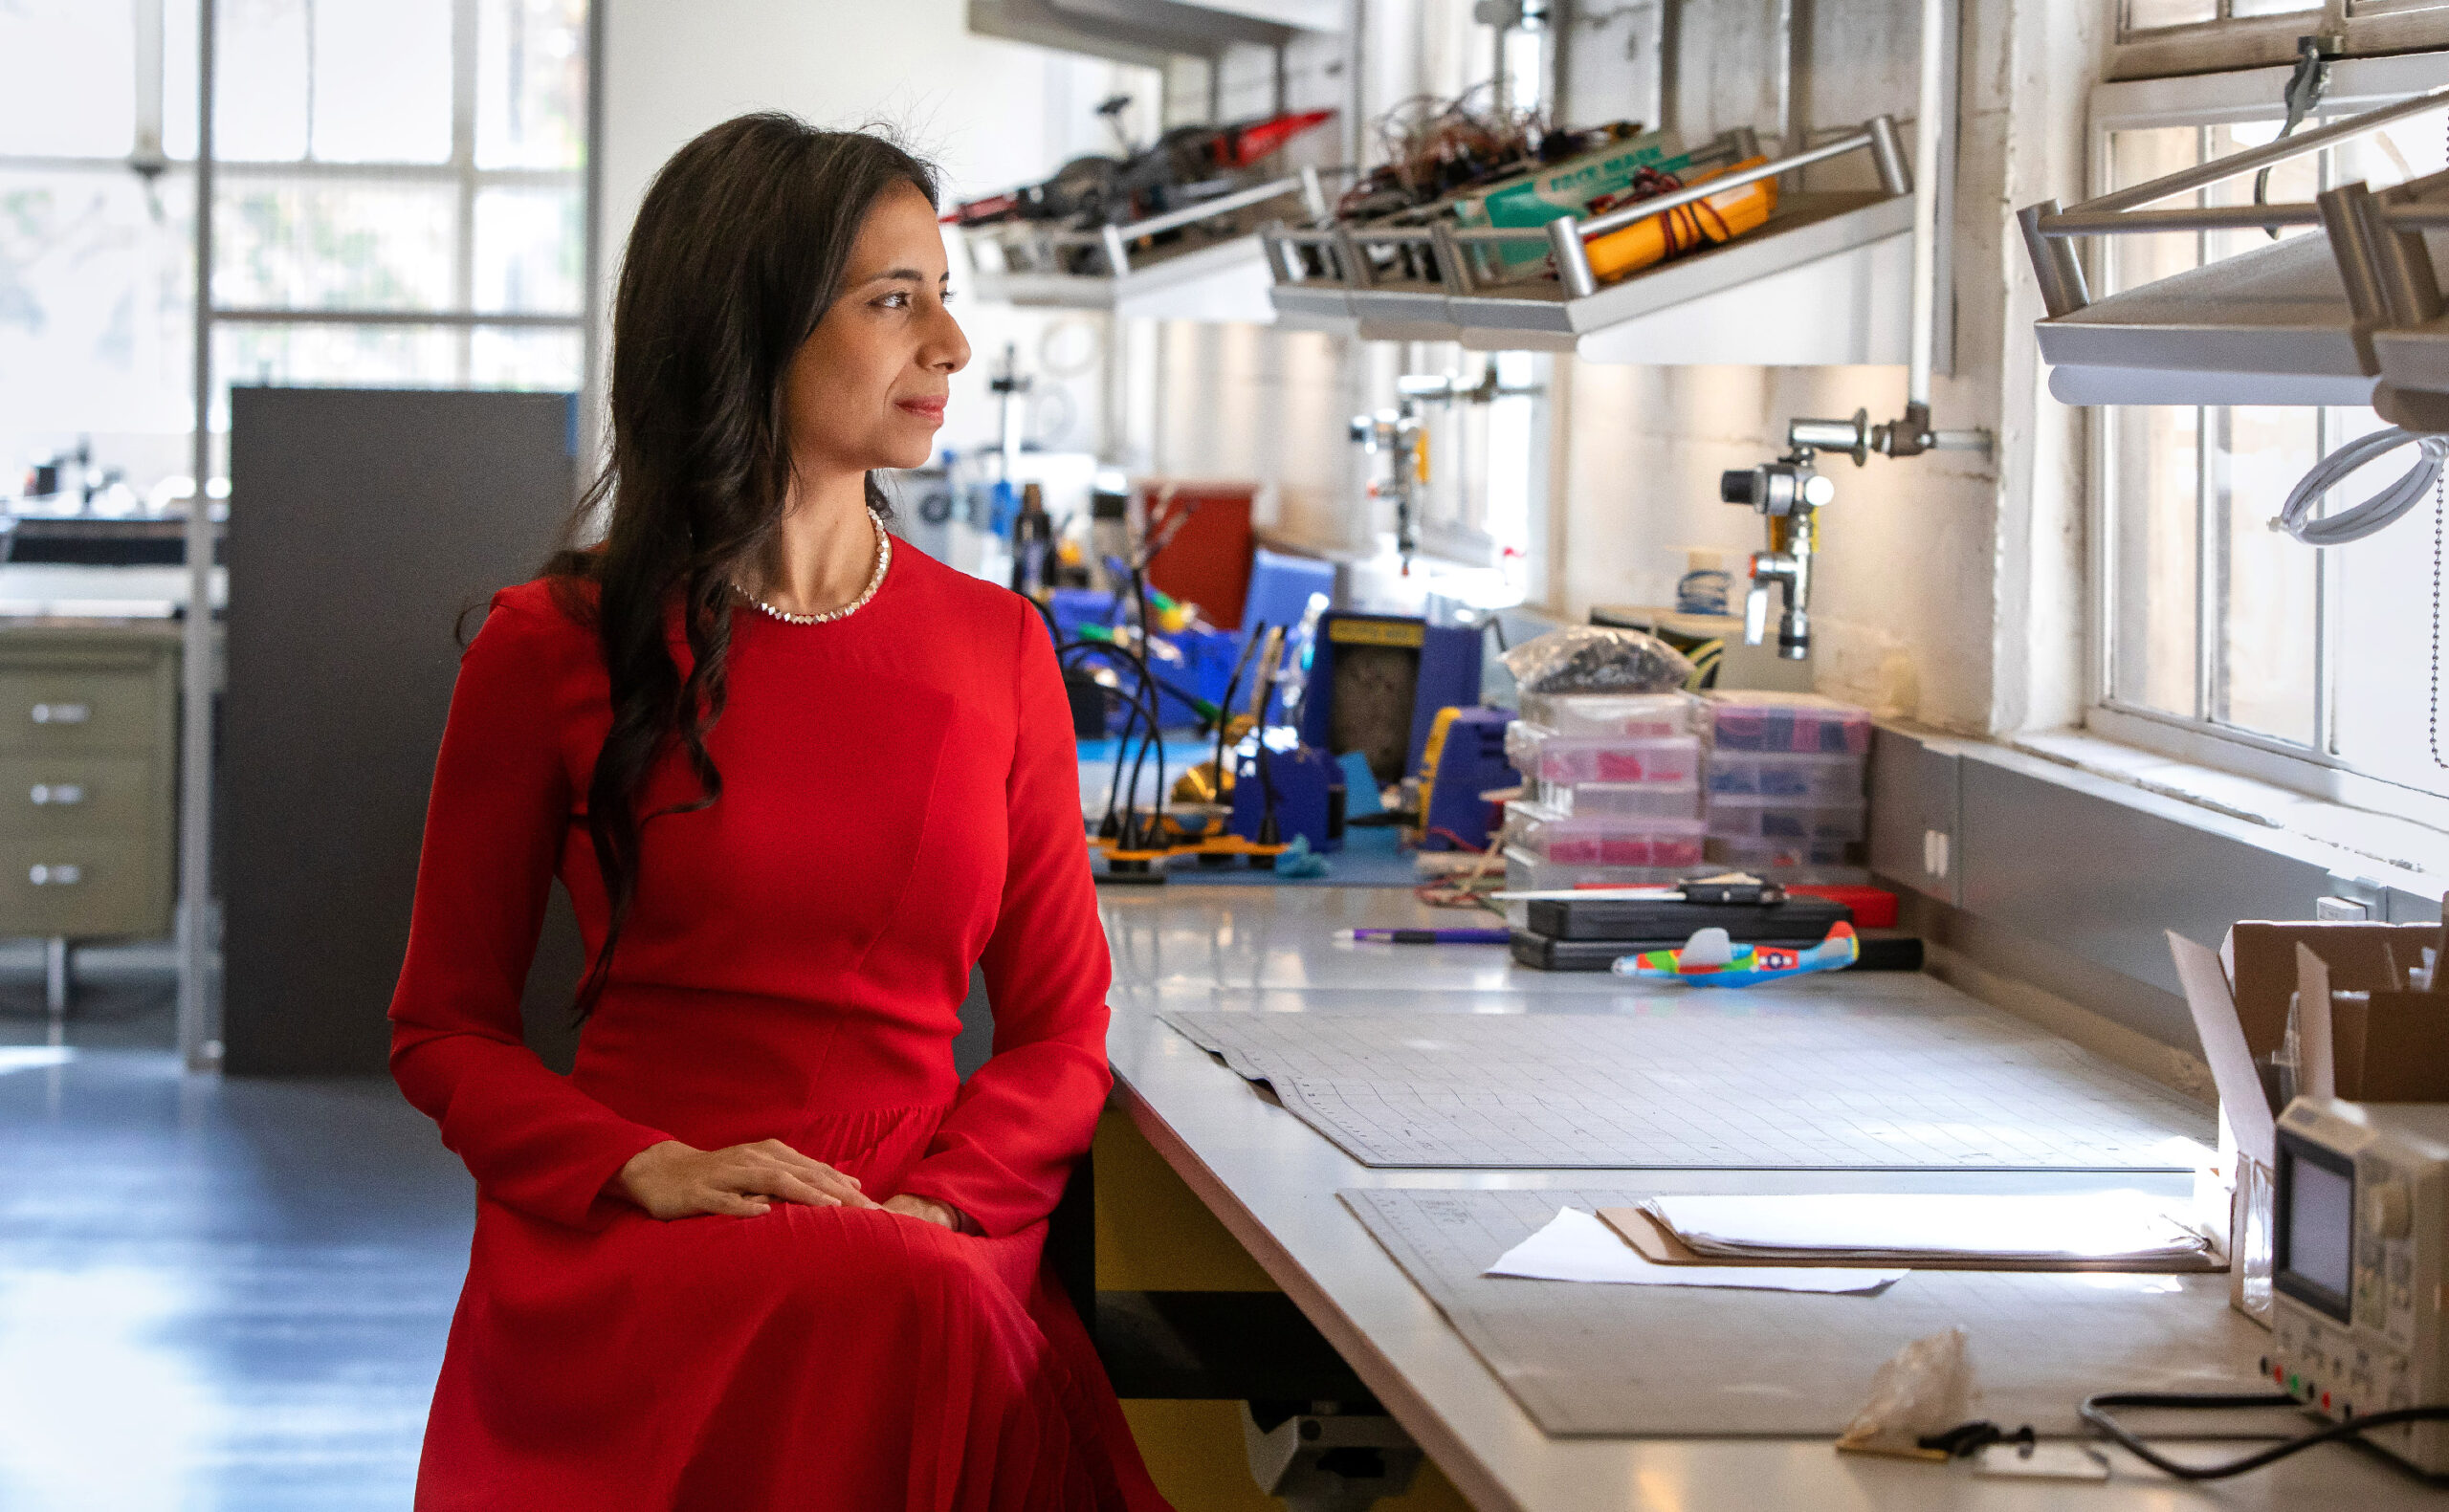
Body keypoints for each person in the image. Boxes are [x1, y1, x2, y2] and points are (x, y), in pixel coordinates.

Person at [387, 114, 1170, 1511]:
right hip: (652, 1213)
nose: (952, 346)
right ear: (749, 326)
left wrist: (941, 1207)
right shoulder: (548, 644)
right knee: (903, 1310)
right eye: (893, 300)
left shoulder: (999, 649)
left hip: (924, 1225)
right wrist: (640, 1161)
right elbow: (443, 1025)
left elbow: (1062, 1033)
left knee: (908, 1300)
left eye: (946, 296)